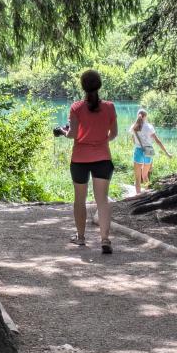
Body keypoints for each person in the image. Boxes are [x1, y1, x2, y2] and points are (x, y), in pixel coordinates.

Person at [62, 70, 118, 254]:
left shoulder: (76, 107)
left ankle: (80, 237)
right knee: (102, 200)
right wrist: (100, 141)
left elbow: (72, 134)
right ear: (99, 85)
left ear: (83, 86)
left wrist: (63, 132)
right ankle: (105, 239)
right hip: (103, 158)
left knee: (80, 199)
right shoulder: (110, 107)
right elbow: (114, 134)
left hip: (79, 159)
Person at [128, 109, 171, 195]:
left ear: (138, 116)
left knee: (137, 178)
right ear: (145, 117)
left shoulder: (134, 127)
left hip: (138, 150)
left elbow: (133, 141)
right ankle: (147, 195)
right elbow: (157, 141)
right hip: (149, 150)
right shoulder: (149, 127)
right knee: (145, 175)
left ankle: (138, 196)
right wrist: (167, 153)